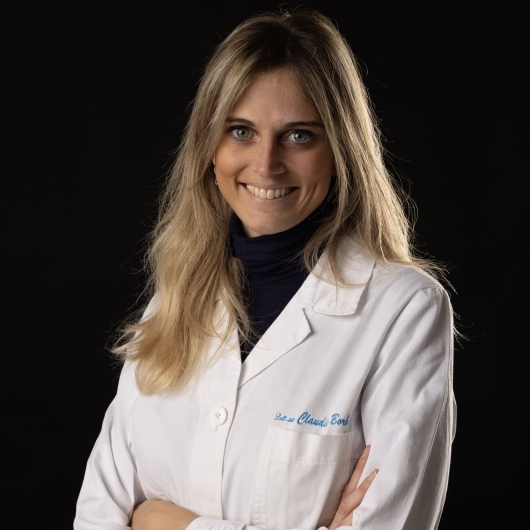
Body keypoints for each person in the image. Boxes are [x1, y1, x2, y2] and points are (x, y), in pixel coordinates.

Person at [74, 7, 457, 530]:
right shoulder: (173, 302)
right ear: (209, 148)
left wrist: (165, 523)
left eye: (299, 135)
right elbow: (96, 518)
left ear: (340, 149)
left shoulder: (403, 309)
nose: (266, 163)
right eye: (241, 131)